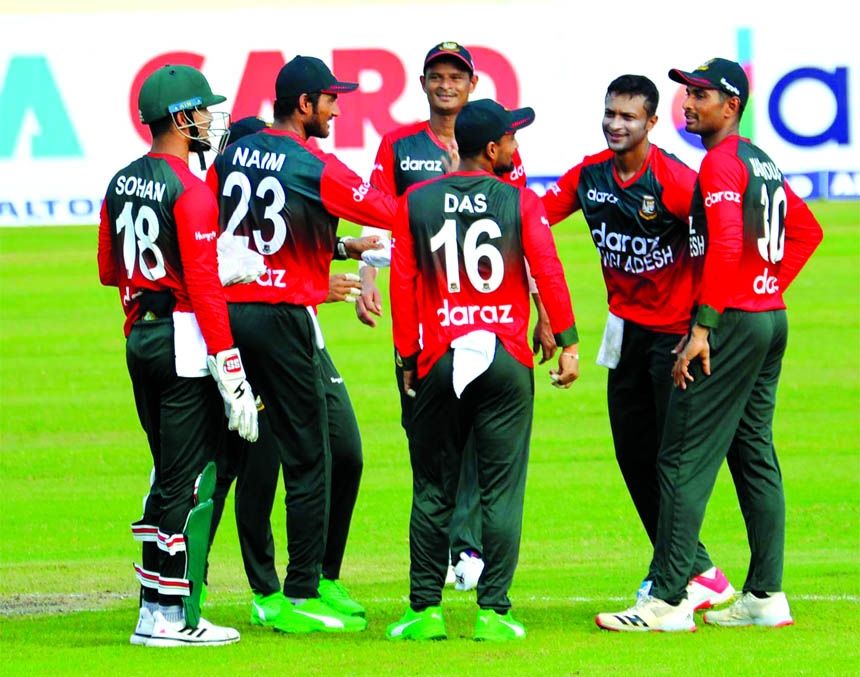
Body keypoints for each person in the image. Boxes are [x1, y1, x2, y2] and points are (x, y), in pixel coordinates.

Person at [596, 58, 823, 632]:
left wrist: (703, 327)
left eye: (701, 95)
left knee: (679, 457)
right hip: (767, 317)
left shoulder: (722, 163)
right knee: (753, 455)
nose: (689, 103)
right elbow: (806, 231)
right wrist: (766, 284)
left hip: (732, 323)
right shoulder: (759, 161)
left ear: (732, 106)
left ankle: (669, 600)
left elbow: (723, 246)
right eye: (687, 94)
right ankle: (767, 595)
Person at [205, 56, 397, 634]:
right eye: (330, 100)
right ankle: (301, 591)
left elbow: (245, 223)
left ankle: (186, 580)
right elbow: (386, 208)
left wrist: (336, 252)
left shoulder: (237, 150)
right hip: (282, 316)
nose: (337, 109)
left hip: (230, 312)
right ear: (305, 105)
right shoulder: (314, 162)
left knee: (239, 447)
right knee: (309, 455)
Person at [356, 41, 551, 591]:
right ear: (422, 84)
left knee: (477, 433)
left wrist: (539, 310)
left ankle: (462, 548)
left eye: (456, 77)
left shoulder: (500, 151)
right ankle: (444, 543)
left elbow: (524, 241)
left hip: (486, 315)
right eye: (437, 76)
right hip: (426, 315)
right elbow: (378, 216)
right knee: (430, 434)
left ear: (472, 85)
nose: (446, 85)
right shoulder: (398, 145)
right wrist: (369, 278)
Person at [386, 99, 581, 642]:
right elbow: (547, 266)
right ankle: (494, 611)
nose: (516, 148)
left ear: (455, 146)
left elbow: (403, 285)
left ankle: (424, 611)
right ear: (492, 150)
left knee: (431, 490)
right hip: (505, 358)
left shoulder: (415, 202)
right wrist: (567, 342)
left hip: (441, 357)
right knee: (500, 491)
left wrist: (407, 357)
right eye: (512, 141)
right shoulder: (520, 201)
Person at [541, 74, 734, 610]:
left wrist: (703, 329)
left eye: (628, 116)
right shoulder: (590, 176)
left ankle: (669, 576)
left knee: (671, 461)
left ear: (651, 123)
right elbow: (534, 219)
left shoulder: (675, 180)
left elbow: (713, 250)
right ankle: (698, 569)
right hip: (624, 332)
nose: (615, 124)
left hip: (674, 336)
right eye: (610, 113)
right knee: (633, 456)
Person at [97, 64, 259, 647]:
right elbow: (205, 291)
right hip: (183, 341)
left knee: (164, 474)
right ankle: (169, 616)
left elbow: (110, 271)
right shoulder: (190, 190)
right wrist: (232, 370)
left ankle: (152, 609)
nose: (210, 121)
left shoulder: (120, 181)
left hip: (139, 333)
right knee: (185, 480)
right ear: (183, 117)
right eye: (204, 111)